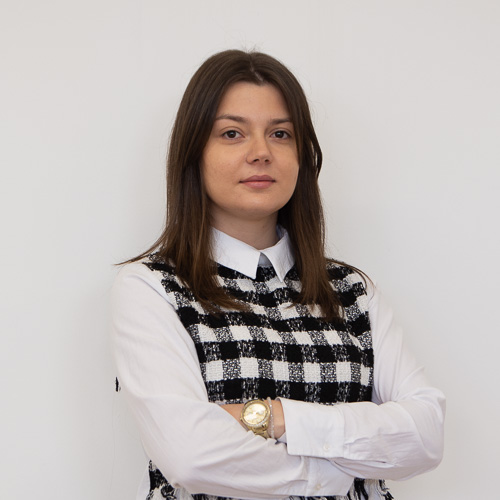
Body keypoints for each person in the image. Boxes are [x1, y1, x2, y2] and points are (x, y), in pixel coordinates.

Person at [111, 50, 445, 500]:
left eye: (280, 134)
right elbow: (191, 456)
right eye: (232, 133)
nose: (261, 153)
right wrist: (342, 468)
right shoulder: (153, 288)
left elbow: (426, 434)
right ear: (194, 153)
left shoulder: (351, 291)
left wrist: (274, 417)